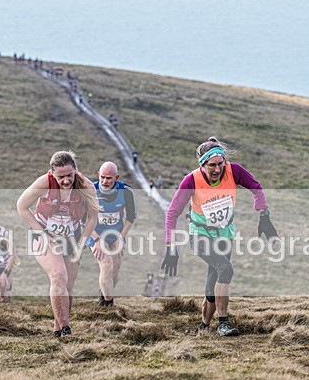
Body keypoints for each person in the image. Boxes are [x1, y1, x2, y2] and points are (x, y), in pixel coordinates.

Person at [162, 137, 277, 336]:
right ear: (202, 164)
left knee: (213, 284)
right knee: (225, 270)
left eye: (220, 164)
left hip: (225, 235)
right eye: (212, 165)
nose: (217, 170)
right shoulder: (191, 180)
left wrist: (263, 215)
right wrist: (171, 248)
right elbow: (172, 214)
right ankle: (223, 323)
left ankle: (203, 327)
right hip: (200, 235)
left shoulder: (234, 171)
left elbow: (257, 188)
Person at [17, 151, 100, 337]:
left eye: (69, 175)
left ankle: (57, 329)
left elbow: (93, 217)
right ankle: (66, 329)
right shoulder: (44, 183)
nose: (65, 180)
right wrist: (41, 233)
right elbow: (21, 206)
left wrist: (83, 242)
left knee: (68, 285)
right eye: (60, 177)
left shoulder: (85, 186)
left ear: (75, 170)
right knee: (58, 275)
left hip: (72, 237)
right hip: (46, 235)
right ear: (52, 173)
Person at [90, 162, 137, 306]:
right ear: (98, 174)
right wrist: (97, 240)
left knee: (114, 273)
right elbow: (83, 220)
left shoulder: (126, 192)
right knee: (106, 265)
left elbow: (130, 217)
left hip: (117, 234)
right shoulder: (90, 190)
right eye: (102, 177)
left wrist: (121, 237)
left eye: (109, 178)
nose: (105, 181)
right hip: (95, 233)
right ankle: (109, 305)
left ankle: (103, 296)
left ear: (116, 177)